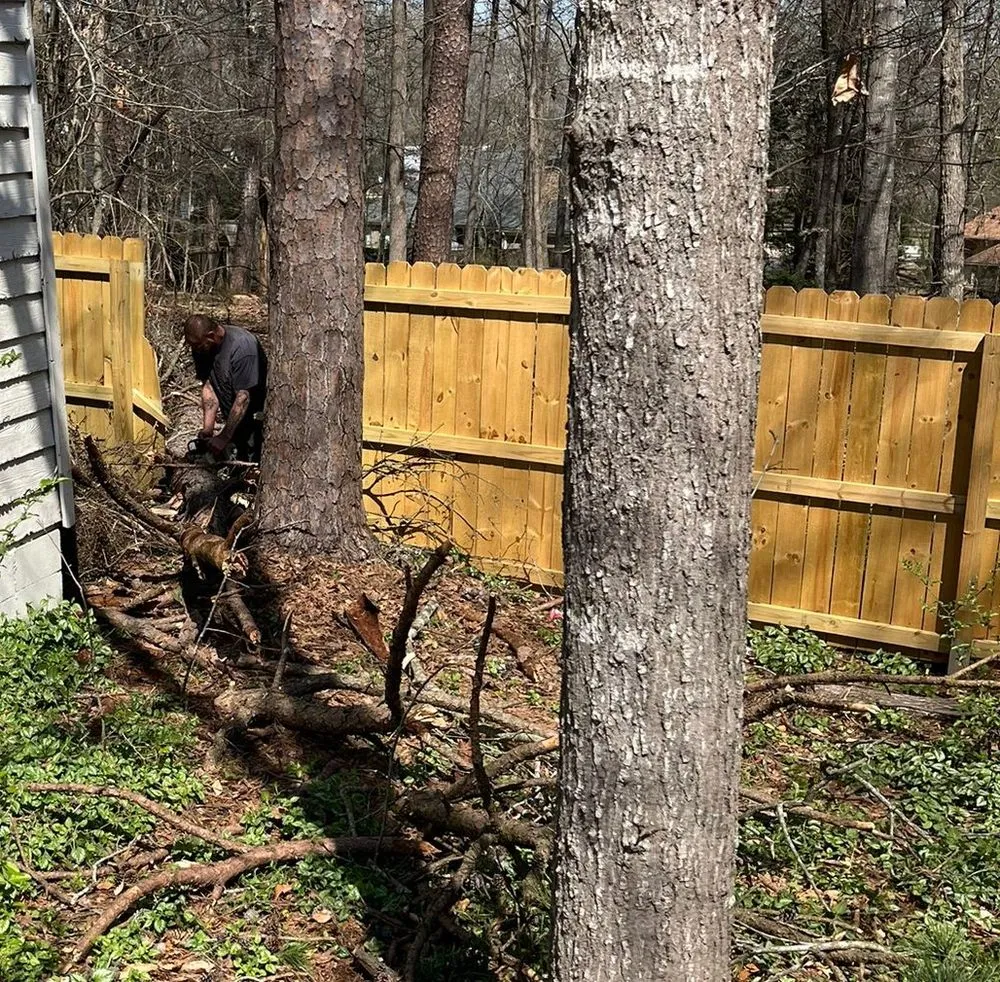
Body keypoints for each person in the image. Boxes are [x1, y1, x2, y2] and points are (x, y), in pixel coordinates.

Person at [183, 314, 268, 462]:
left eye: (197, 345)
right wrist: (208, 430)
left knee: (249, 463)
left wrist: (224, 437)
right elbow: (209, 387)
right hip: (233, 415)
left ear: (211, 336)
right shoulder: (202, 348)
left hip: (255, 418)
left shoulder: (242, 348)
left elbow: (243, 398)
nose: (195, 350)